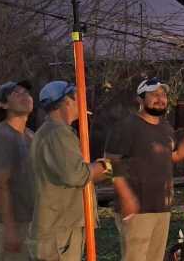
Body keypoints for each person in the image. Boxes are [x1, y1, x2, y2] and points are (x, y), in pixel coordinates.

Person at [28, 81, 139, 261]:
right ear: (67, 101)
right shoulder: (58, 133)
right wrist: (107, 166)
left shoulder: (52, 131)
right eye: (78, 96)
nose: (84, 101)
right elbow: (77, 175)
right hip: (60, 230)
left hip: (60, 226)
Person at [104, 77, 184, 261]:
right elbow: (110, 161)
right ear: (140, 99)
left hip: (161, 207)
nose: (161, 99)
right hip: (137, 209)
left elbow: (174, 155)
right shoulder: (127, 126)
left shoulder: (165, 127)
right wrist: (127, 198)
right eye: (154, 95)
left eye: (164, 95)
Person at [0, 80, 35, 261]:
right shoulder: (1, 137)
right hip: (8, 224)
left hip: (28, 220)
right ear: (3, 104)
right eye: (17, 93)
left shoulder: (29, 135)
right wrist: (10, 229)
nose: (25, 97)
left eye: (27, 93)